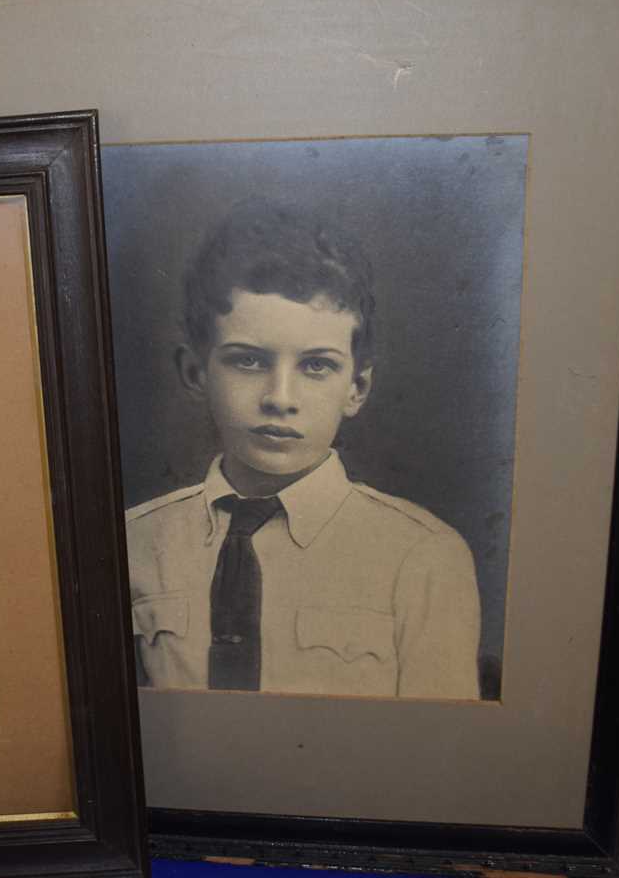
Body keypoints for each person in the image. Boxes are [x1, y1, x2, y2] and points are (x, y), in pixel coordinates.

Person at [127, 209, 480, 699]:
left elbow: (441, 756)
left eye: (316, 365)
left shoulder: (422, 557)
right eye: (248, 360)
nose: (280, 397)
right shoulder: (132, 544)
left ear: (356, 387)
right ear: (195, 373)